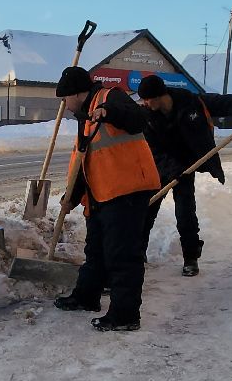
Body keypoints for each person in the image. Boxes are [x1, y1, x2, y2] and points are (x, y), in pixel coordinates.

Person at [53, 66, 160, 332]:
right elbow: (83, 161)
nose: (65, 106)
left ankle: (125, 316)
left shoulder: (110, 97)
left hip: (126, 190)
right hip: (103, 194)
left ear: (77, 93)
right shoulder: (85, 116)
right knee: (96, 251)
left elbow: (138, 118)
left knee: (122, 256)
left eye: (66, 99)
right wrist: (72, 197)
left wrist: (110, 113)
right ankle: (86, 296)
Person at [135, 74, 223, 277]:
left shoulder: (188, 103)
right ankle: (138, 253)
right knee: (146, 212)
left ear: (159, 96)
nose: (145, 104)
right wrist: (173, 169)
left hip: (186, 169)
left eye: (148, 99)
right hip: (159, 168)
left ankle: (190, 258)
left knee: (185, 215)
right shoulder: (147, 117)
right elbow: (152, 150)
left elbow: (223, 102)